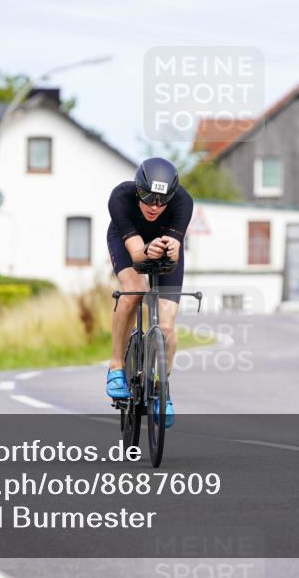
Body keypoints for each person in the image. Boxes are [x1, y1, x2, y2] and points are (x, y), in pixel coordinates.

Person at [105, 157, 193, 428]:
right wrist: (146, 249)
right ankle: (117, 366)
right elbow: (136, 254)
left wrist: (172, 248)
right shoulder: (120, 197)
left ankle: (162, 390)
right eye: (148, 198)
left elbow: (175, 249)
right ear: (137, 189)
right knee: (134, 290)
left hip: (164, 248)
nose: (155, 206)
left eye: (162, 200)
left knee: (166, 327)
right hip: (128, 241)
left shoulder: (183, 202)